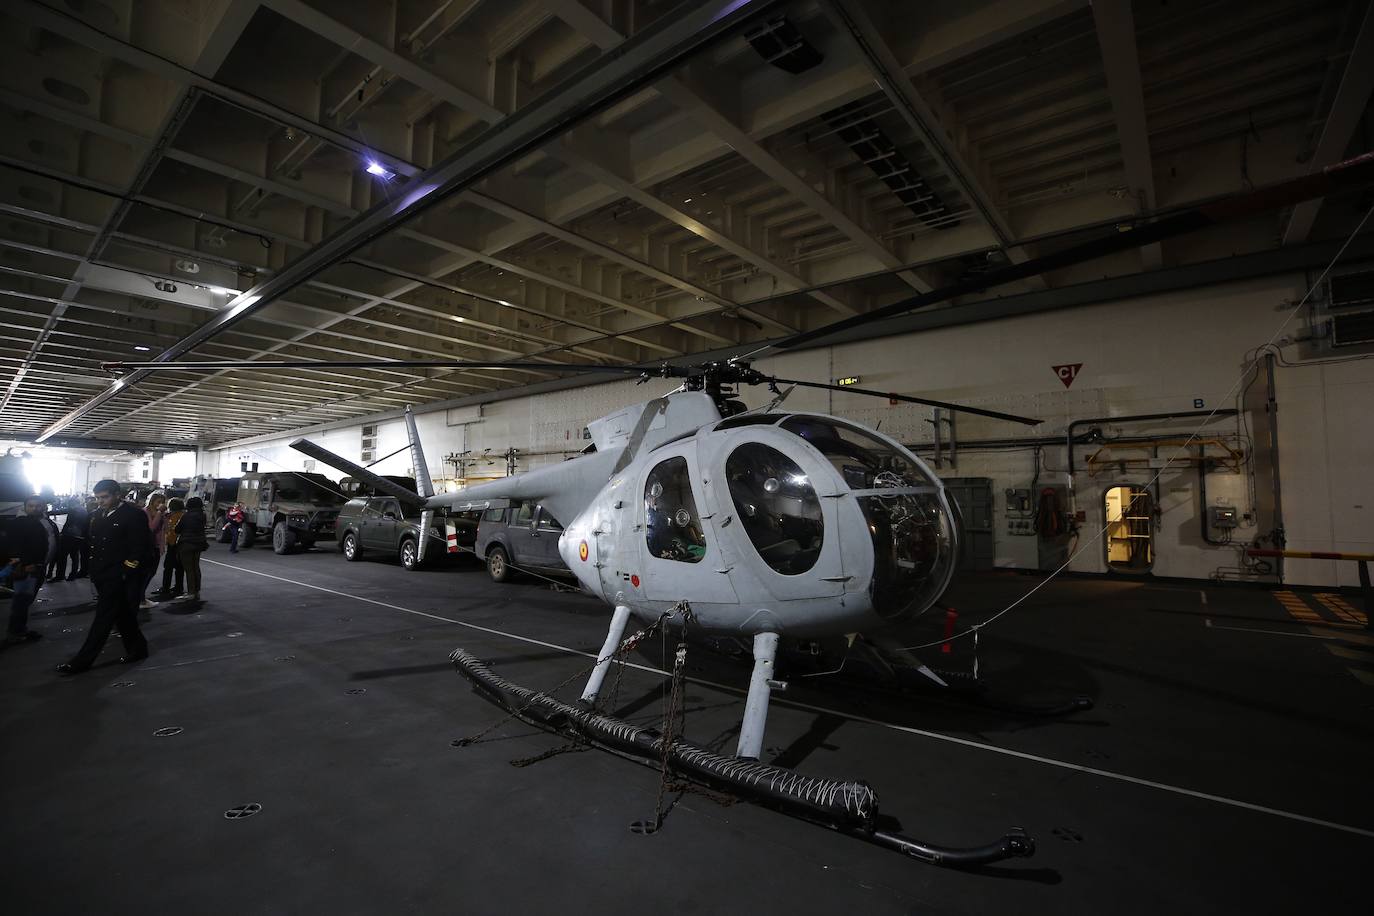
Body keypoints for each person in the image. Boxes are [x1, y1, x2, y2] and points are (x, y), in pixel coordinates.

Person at [57, 479, 151, 675]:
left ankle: (81, 661)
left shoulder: (133, 515)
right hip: (101, 573)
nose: (100, 501)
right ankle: (138, 649)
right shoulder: (97, 515)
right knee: (123, 615)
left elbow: (139, 548)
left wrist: (125, 571)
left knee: (103, 618)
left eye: (105, 497)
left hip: (118, 575)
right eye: (98, 498)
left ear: (117, 494)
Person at [4, 495, 55, 645]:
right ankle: (15, 633)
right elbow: (14, 546)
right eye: (31, 506)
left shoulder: (44, 521)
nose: (34, 508)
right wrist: (25, 563)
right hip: (27, 568)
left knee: (26, 600)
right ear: (25, 507)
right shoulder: (19, 523)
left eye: (38, 505)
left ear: (44, 506)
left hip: (39, 566)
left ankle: (20, 629)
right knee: (21, 601)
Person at [174, 497, 209, 602]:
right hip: (198, 544)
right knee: (195, 567)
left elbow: (177, 529)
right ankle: (196, 591)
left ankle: (190, 593)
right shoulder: (202, 516)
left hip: (186, 544)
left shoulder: (186, 516)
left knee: (189, 569)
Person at [154, 497, 185, 599]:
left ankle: (166, 587)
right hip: (181, 545)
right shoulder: (182, 515)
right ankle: (178, 587)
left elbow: (172, 531)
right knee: (179, 567)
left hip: (174, 545)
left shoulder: (174, 516)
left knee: (168, 567)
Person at [140, 491, 167, 610]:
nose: (160, 504)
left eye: (162, 502)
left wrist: (162, 546)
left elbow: (163, 530)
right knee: (146, 573)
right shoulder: (145, 512)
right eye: (158, 502)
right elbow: (151, 527)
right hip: (147, 546)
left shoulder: (159, 513)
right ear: (152, 501)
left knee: (152, 572)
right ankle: (140, 599)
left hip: (156, 546)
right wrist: (160, 513)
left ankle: (141, 597)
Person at [57, 495, 89, 580]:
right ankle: (72, 575)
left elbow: (68, 523)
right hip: (79, 536)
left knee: (62, 556)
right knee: (74, 556)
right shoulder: (84, 510)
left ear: (72, 503)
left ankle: (60, 575)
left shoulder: (73, 510)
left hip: (70, 536)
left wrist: (62, 533)